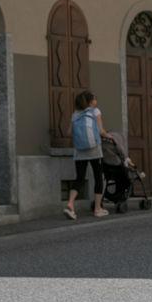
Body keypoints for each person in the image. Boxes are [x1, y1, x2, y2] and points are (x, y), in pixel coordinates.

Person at [64, 91, 110, 220]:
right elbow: (101, 131)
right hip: (94, 149)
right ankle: (97, 209)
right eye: (95, 99)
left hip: (79, 151)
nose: (96, 102)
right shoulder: (95, 112)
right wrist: (109, 135)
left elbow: (68, 133)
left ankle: (70, 204)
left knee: (79, 177)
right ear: (90, 102)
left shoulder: (75, 114)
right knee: (98, 177)